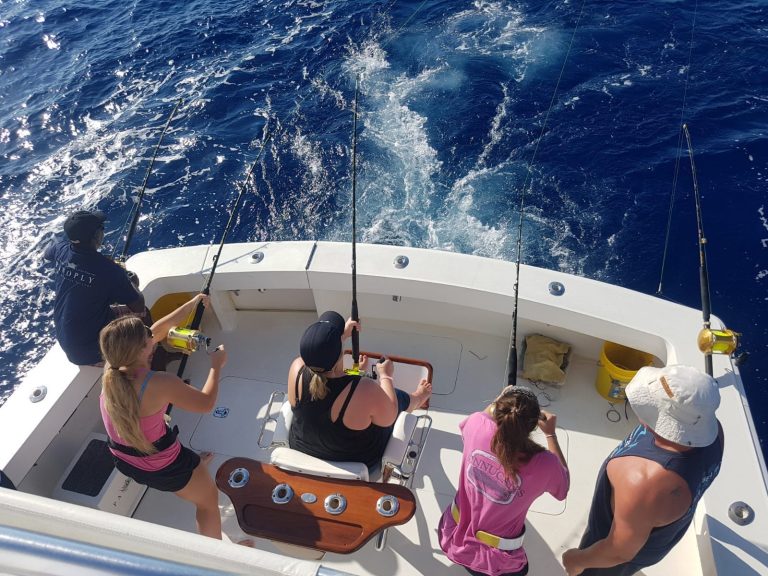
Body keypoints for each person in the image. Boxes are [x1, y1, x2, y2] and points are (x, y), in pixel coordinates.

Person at [562, 365, 724, 576]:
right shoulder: (713, 432)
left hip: (613, 552)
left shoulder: (644, 483)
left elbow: (617, 552)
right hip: (652, 535)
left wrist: (576, 560)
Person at [99, 293, 225, 539]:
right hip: (166, 467)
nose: (152, 334)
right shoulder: (160, 383)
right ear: (142, 348)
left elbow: (160, 328)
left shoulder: (112, 367)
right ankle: (217, 553)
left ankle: (195, 468)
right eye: (147, 335)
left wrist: (193, 303)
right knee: (208, 503)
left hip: (125, 461)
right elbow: (206, 404)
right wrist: (216, 365)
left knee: (189, 468)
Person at [438, 386, 569, 576]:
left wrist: (499, 398)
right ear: (533, 426)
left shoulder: (476, 423)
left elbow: (482, 418)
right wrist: (551, 434)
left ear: (499, 409)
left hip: (452, 534)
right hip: (496, 558)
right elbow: (563, 487)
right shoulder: (546, 464)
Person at [287, 310, 432, 472]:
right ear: (340, 353)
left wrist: (344, 341)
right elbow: (388, 419)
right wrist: (386, 376)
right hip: (353, 461)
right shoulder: (365, 389)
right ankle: (418, 398)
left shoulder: (297, 367)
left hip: (303, 449)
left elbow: (326, 374)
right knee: (397, 397)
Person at [44, 209, 145, 365]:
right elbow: (138, 305)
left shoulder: (61, 249)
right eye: (101, 228)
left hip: (68, 343)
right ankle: (152, 357)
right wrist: (130, 280)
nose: (103, 231)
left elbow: (47, 253)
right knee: (144, 314)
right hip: (92, 350)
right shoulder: (109, 270)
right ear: (96, 236)